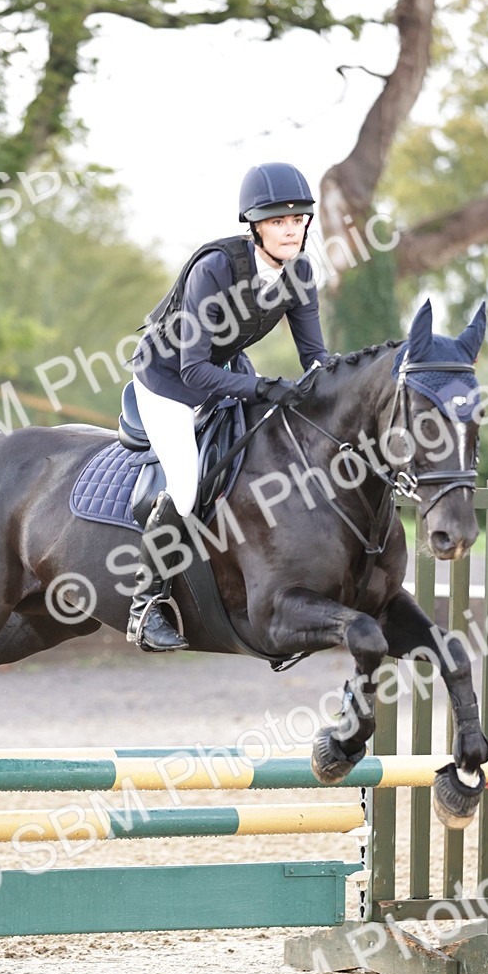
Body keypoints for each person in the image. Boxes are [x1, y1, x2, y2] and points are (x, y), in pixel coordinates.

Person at [127, 161, 329, 652]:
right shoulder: (215, 268)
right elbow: (193, 370)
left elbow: (315, 358)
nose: (290, 229)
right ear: (255, 226)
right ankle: (144, 605)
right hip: (168, 379)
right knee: (186, 486)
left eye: (298, 219)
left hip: (227, 372)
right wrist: (263, 389)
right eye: (279, 221)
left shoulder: (299, 271)